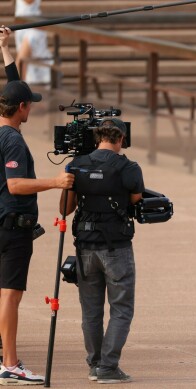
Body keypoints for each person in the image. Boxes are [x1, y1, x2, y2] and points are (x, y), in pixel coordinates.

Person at [0, 26, 74, 385]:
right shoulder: (12, 141)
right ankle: (11, 363)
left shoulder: (3, 128)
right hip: (12, 227)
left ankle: (5, 355)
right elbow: (15, 184)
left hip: (4, 223)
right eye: (30, 104)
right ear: (23, 109)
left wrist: (5, 49)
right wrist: (55, 182)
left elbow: (13, 88)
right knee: (10, 296)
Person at [60, 118, 144, 384]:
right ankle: (108, 367)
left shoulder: (76, 165)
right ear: (121, 139)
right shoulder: (128, 167)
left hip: (84, 246)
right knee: (121, 308)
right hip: (116, 247)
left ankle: (95, 365)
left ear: (97, 138)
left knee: (91, 311)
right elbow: (135, 201)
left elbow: (65, 208)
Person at [15, 0, 52, 85]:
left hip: (32, 27)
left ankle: (18, 92)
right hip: (23, 25)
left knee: (22, 62)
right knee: (24, 64)